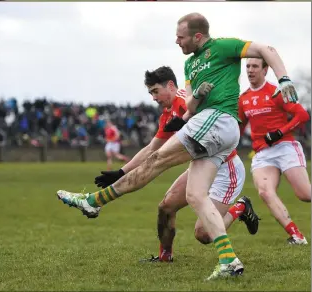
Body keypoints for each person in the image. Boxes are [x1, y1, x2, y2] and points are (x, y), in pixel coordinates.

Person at [56, 12, 299, 280]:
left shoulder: (222, 47)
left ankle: (94, 201)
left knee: (156, 162)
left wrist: (284, 79)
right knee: (195, 196)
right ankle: (229, 260)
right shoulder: (190, 66)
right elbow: (191, 108)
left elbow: (266, 49)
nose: (176, 41)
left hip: (218, 121)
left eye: (180, 37)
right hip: (209, 128)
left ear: (197, 36)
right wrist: (198, 97)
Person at [93, 66, 259, 262]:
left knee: (203, 235)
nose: (153, 98)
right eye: (150, 93)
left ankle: (241, 207)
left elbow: (213, 119)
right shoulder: (168, 113)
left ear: (170, 86)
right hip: (200, 167)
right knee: (166, 206)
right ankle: (165, 256)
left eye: (155, 91)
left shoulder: (185, 102)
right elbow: (151, 149)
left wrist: (188, 120)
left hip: (225, 168)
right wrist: (121, 171)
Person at [238, 58, 310, 245]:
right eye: (248, 66)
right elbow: (237, 129)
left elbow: (302, 115)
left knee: (305, 195)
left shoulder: (276, 92)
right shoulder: (243, 98)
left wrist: (280, 132)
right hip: (263, 153)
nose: (250, 70)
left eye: (255, 66)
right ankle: (296, 236)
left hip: (285, 146)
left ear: (265, 69)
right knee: (265, 192)